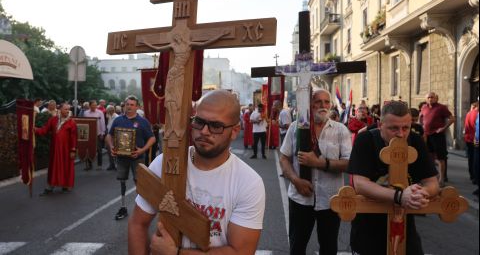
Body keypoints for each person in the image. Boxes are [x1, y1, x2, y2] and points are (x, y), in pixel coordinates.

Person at [128, 90, 265, 254]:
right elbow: (137, 224)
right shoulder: (165, 164)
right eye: (199, 122)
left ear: (235, 131)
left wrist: (176, 253)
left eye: (216, 126)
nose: (204, 131)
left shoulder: (248, 182)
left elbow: (240, 251)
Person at [347, 101, 439, 255]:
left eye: (405, 128)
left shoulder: (415, 141)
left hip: (404, 226)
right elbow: (361, 184)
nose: (401, 134)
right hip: (368, 228)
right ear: (380, 124)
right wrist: (399, 196)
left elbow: (432, 183)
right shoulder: (365, 140)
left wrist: (420, 193)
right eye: (393, 128)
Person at [279, 89, 351, 255]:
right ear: (310, 105)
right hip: (300, 199)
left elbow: (348, 164)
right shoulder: (295, 127)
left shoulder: (340, 130)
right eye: (318, 102)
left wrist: (319, 163)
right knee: (297, 247)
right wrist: (296, 181)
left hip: (330, 200)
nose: (322, 106)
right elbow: (284, 158)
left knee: (329, 248)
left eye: (326, 102)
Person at [105, 95, 156, 220]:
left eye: (132, 105)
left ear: (137, 107)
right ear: (124, 105)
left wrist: (142, 150)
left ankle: (141, 210)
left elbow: (152, 138)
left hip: (137, 157)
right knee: (122, 181)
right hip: (121, 157)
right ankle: (123, 207)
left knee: (139, 182)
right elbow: (109, 135)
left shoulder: (143, 121)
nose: (129, 107)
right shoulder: (118, 120)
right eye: (127, 104)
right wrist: (111, 146)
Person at [35, 103, 77, 194]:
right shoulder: (53, 120)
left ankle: (65, 185)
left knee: (66, 166)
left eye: (68, 109)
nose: (67, 111)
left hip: (66, 150)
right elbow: (44, 130)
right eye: (65, 109)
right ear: (60, 109)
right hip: (55, 149)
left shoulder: (71, 122)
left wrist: (73, 150)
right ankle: (50, 186)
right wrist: (34, 129)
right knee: (54, 167)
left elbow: (73, 138)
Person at [419, 92, 454, 185]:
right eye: (428, 97)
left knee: (441, 158)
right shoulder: (424, 107)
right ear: (426, 99)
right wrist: (421, 127)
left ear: (436, 98)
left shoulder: (441, 108)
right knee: (429, 157)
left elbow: (452, 118)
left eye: (432, 97)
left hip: (437, 136)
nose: (430, 99)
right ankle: (433, 176)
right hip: (427, 135)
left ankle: (442, 179)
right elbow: (421, 117)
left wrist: (443, 128)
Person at [83, 100, 106, 171]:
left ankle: (99, 165)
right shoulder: (86, 113)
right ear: (90, 106)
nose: (95, 106)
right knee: (88, 150)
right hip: (89, 134)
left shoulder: (100, 112)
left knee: (99, 150)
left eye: (95, 105)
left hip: (98, 133)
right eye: (93, 105)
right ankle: (89, 165)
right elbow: (84, 123)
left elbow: (102, 123)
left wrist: (102, 133)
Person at [464, 101, 478, 184]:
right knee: (475, 159)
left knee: (471, 158)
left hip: (469, 139)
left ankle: (472, 175)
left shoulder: (469, 113)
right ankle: (475, 177)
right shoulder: (476, 114)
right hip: (475, 139)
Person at [105, 105, 119, 171]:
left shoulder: (116, 117)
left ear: (111, 111)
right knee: (109, 150)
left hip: (114, 136)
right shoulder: (110, 116)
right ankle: (111, 164)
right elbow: (108, 126)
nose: (107, 112)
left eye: (108, 111)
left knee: (115, 150)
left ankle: (116, 165)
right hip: (109, 135)